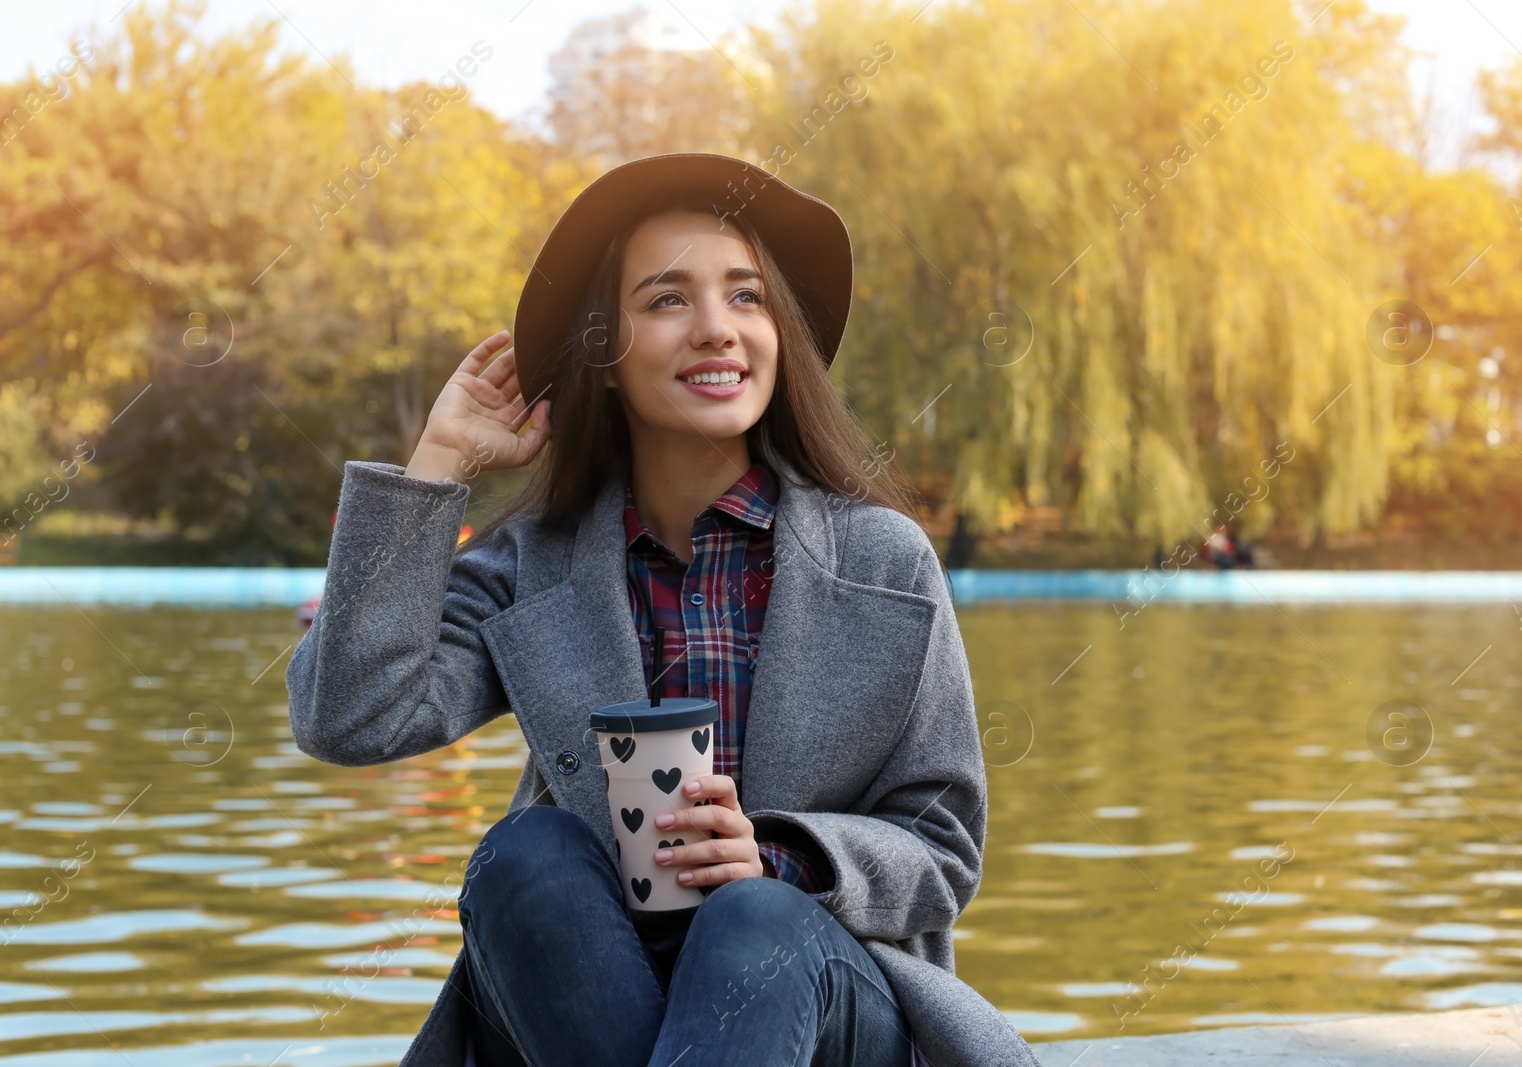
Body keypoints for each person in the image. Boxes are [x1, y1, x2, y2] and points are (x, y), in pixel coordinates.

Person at [285, 153, 1039, 1067]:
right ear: (602, 354)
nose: (717, 330)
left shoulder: (884, 562)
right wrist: (441, 460)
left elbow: (944, 850)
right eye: (668, 299)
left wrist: (773, 857)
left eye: (747, 296)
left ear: (780, 335)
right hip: (589, 1002)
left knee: (753, 917)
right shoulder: (536, 566)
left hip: (827, 999)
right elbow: (350, 715)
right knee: (527, 855)